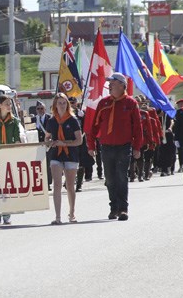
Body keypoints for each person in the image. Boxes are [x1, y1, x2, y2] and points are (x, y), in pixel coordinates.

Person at [86, 72, 143, 221]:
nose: (110, 85)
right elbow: (94, 126)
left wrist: (137, 147)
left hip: (124, 147)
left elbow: (137, 127)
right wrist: (91, 145)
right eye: (110, 83)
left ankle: (123, 209)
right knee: (110, 178)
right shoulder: (103, 103)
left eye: (113, 82)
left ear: (122, 85)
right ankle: (114, 208)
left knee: (121, 177)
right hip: (106, 146)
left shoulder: (131, 103)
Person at [45, 93, 82, 225]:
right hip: (56, 154)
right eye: (59, 103)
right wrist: (49, 142)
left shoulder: (72, 120)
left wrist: (64, 143)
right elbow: (47, 137)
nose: (62, 105)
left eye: (64, 103)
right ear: (55, 105)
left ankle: (72, 213)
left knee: (70, 186)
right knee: (56, 184)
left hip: (70, 154)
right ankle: (58, 216)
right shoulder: (51, 120)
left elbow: (79, 140)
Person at [0, 94, 22, 225]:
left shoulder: (13, 122)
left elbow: (17, 140)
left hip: (9, 157)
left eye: (10, 104)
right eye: (7, 104)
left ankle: (6, 213)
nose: (9, 106)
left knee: (8, 186)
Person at [34, 100, 53, 190]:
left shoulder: (50, 118)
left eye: (42, 108)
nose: (40, 110)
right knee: (38, 165)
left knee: (48, 164)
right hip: (37, 145)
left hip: (47, 145)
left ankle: (48, 183)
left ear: (45, 109)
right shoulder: (33, 119)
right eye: (38, 109)